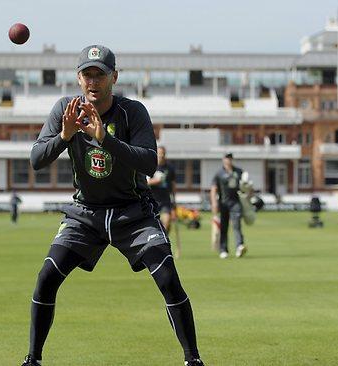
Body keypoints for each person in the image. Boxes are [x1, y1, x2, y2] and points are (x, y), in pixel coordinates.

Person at [23, 45, 204, 366]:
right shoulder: (65, 109)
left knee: (168, 279)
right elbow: (37, 159)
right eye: (87, 74)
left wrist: (105, 138)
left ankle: (193, 360)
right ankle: (33, 359)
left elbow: (149, 163)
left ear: (114, 77)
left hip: (132, 212)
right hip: (85, 214)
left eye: (100, 75)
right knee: (46, 277)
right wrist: (64, 136)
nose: (93, 81)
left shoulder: (132, 112)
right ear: (78, 79)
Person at [210, 153, 247, 259]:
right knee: (224, 227)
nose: (228, 160)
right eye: (227, 158)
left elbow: (246, 186)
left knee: (236, 224)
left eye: (230, 158)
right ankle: (223, 249)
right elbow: (213, 189)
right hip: (223, 203)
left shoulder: (239, 172)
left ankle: (240, 246)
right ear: (223, 160)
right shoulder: (219, 173)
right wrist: (214, 203)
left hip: (236, 202)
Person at [147, 146, 180, 256]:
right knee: (152, 225)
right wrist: (154, 181)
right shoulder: (150, 166)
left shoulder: (170, 168)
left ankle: (162, 242)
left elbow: (173, 185)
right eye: (159, 153)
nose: (161, 156)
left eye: (163, 154)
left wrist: (174, 201)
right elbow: (144, 181)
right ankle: (157, 244)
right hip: (152, 200)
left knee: (167, 222)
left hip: (165, 199)